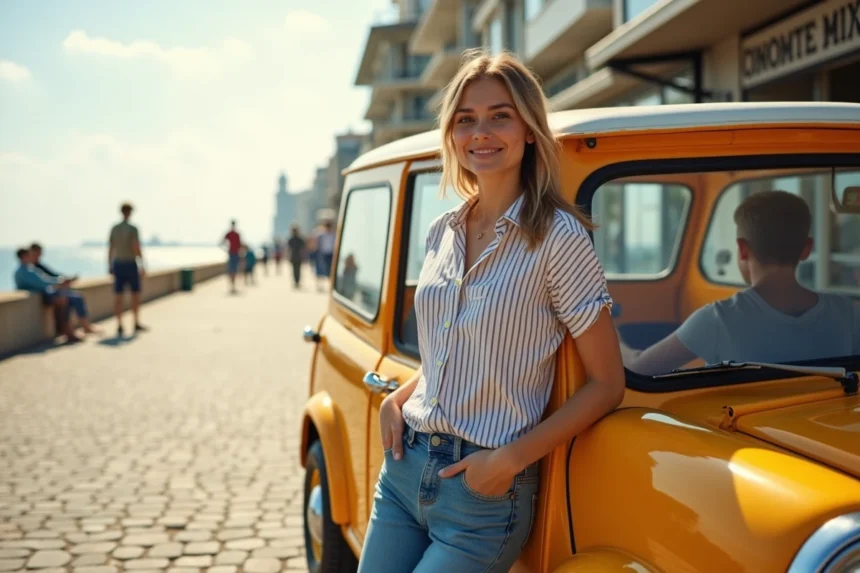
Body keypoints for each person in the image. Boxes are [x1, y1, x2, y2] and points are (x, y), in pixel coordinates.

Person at [357, 50, 625, 573]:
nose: (480, 132)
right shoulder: (441, 232)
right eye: (465, 120)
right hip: (404, 468)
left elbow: (607, 383)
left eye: (499, 115)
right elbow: (450, 350)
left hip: (482, 492)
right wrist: (400, 397)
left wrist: (508, 461)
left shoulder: (558, 237)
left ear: (529, 130)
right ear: (451, 135)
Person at [619, 190, 860, 375]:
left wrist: (610, 331)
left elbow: (639, 368)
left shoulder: (718, 319)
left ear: (743, 249)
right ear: (807, 249)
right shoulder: (848, 313)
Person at [14, 248, 97, 341]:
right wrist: (60, 281)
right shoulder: (24, 271)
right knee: (65, 299)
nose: (31, 257)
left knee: (73, 297)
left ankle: (77, 329)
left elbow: (47, 278)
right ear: (23, 257)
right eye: (29, 255)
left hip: (48, 293)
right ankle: (70, 332)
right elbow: (42, 283)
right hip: (45, 295)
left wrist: (61, 280)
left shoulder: (31, 269)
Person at [109, 202, 146, 337]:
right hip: (130, 264)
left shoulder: (115, 228)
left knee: (118, 296)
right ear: (130, 213)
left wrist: (110, 265)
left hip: (118, 264)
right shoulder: (132, 229)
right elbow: (136, 247)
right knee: (135, 295)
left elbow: (111, 248)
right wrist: (142, 264)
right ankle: (135, 322)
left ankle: (119, 325)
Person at [314, 221, 335, 292]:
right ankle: (320, 285)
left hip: (330, 254)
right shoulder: (321, 235)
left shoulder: (333, 235)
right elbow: (317, 244)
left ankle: (331, 285)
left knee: (329, 270)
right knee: (321, 269)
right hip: (322, 253)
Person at [223, 220, 241, 294]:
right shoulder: (231, 234)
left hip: (234, 253)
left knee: (233, 270)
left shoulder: (235, 234)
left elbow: (239, 245)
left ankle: (233, 286)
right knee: (232, 270)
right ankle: (232, 286)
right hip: (233, 253)